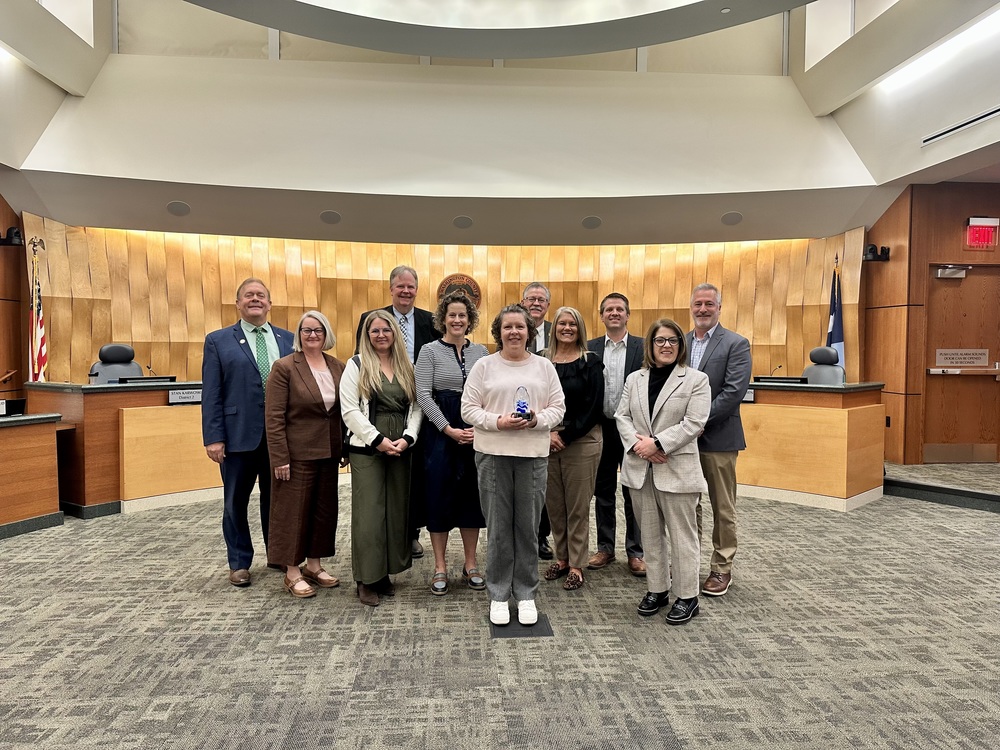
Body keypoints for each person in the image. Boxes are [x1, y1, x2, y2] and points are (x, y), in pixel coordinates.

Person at [461, 304, 565, 627]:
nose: (514, 332)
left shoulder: (544, 367)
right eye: (508, 327)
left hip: (532, 456)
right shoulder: (484, 366)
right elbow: (468, 409)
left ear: (530, 331)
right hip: (493, 454)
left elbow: (558, 408)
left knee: (528, 527)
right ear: (499, 331)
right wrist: (498, 422)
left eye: (520, 326)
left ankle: (526, 593)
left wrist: (536, 420)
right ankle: (498, 594)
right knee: (499, 527)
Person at [616, 319, 710, 625]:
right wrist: (639, 446)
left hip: (676, 468)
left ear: (681, 346)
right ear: (651, 345)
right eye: (660, 341)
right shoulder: (635, 379)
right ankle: (657, 589)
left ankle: (688, 597)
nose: (666, 346)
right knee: (651, 536)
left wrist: (657, 443)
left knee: (683, 537)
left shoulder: (695, 380)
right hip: (640, 470)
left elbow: (694, 423)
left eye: (672, 340)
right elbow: (622, 416)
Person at [202, 278, 293, 587]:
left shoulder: (287, 339)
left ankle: (278, 554)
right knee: (235, 502)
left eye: (261, 296)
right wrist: (214, 437)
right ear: (237, 303)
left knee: (277, 500)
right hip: (237, 437)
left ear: (270, 304)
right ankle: (239, 562)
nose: (255, 299)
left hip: (279, 437)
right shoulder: (218, 340)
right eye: (249, 295)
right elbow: (212, 393)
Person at [355, 265, 440, 559]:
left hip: (420, 403)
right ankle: (385, 537)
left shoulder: (431, 320)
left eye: (411, 286)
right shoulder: (371, 319)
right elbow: (361, 360)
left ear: (417, 289)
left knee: (414, 474)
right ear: (390, 289)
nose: (406, 291)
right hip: (381, 405)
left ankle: (412, 532)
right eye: (400, 286)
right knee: (380, 481)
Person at [342, 310, 423, 606]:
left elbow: (416, 407)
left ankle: (384, 573)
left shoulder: (406, 366)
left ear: (395, 335)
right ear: (367, 334)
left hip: (401, 448)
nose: (380, 336)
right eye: (374, 331)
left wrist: (408, 438)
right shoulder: (357, 365)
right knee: (370, 515)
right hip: (368, 450)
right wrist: (377, 440)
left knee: (395, 513)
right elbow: (350, 410)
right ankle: (365, 579)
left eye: (386, 331)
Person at [265, 311, 347, 599]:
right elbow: (273, 416)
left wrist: (344, 448)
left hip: (328, 451)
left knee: (323, 511)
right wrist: (280, 458)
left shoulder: (338, 366)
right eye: (306, 330)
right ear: (298, 335)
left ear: (327, 335)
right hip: (295, 454)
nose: (312, 335)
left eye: (318, 330)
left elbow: (342, 412)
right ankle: (292, 571)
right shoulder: (284, 367)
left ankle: (314, 564)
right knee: (292, 512)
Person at [414, 292, 489, 596]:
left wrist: (475, 426)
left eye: (463, 315)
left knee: (472, 497)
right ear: (442, 319)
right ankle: (440, 566)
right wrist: (448, 429)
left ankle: (470, 563)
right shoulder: (429, 351)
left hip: (476, 433)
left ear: (470, 320)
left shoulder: (482, 352)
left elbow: (489, 392)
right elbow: (423, 396)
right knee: (439, 496)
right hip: (439, 436)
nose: (457, 320)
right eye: (452, 315)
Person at [686, 283, 752, 597]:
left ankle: (721, 567)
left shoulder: (736, 344)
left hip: (719, 439)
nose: (702, 309)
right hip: (684, 442)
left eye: (708, 304)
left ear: (719, 307)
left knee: (722, 508)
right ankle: (689, 564)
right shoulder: (680, 342)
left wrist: (697, 422)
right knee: (688, 505)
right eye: (698, 304)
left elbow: (732, 393)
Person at [542, 306, 604, 591]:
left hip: (582, 441)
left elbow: (593, 407)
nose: (567, 328)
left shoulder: (591, 361)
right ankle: (563, 558)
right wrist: (548, 433)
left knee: (577, 507)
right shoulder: (541, 360)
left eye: (572, 324)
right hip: (546, 440)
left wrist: (564, 436)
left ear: (580, 329)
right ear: (554, 327)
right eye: (561, 323)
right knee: (555, 505)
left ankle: (577, 565)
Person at [586, 292, 646, 576]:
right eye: (608, 309)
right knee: (603, 490)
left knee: (634, 490)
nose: (614, 313)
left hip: (633, 431)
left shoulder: (643, 347)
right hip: (601, 428)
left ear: (627, 315)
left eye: (619, 309)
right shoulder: (590, 348)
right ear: (601, 316)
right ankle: (605, 548)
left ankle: (636, 552)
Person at [521, 281, 555, 560]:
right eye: (530, 299)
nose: (535, 303)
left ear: (547, 305)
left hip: (549, 416)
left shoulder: (560, 331)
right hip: (518, 421)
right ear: (522, 303)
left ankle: (542, 537)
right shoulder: (511, 330)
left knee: (543, 487)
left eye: (540, 300)